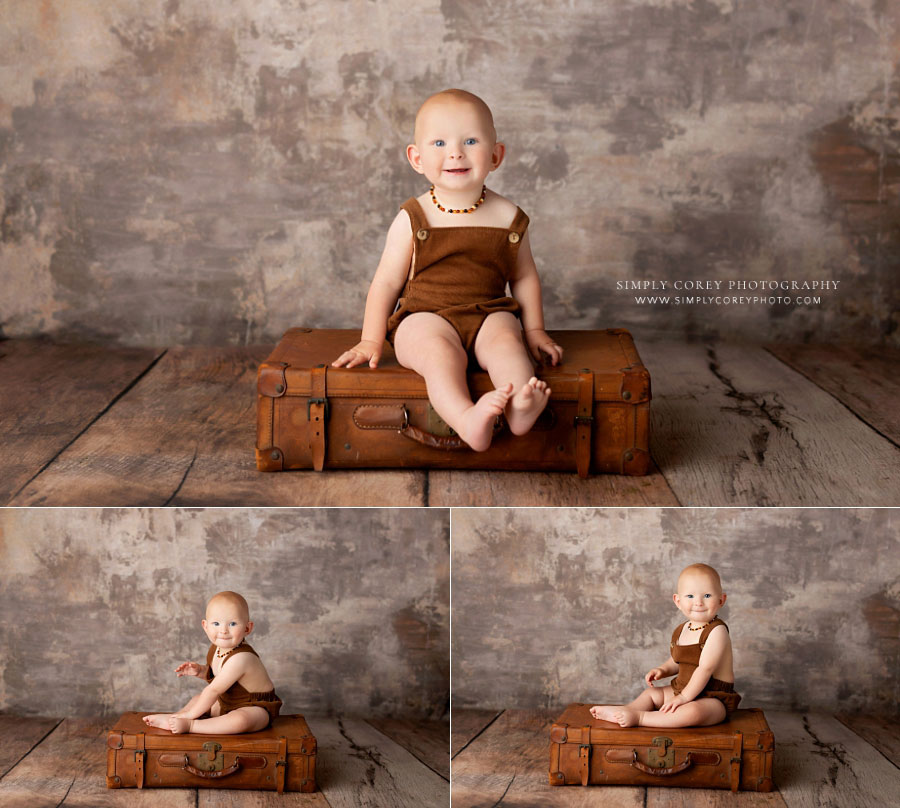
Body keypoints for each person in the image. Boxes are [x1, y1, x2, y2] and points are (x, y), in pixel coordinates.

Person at [333, 89, 563, 452]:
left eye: (470, 140)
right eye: (439, 142)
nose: (455, 152)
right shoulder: (414, 217)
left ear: (496, 154)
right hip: (425, 316)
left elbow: (523, 277)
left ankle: (520, 407)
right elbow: (387, 283)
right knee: (440, 355)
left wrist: (535, 330)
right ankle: (466, 418)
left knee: (508, 345)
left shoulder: (508, 217)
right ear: (417, 157)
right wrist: (370, 340)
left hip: (488, 311)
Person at [590, 564, 740, 728]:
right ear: (678, 601)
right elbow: (677, 661)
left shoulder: (717, 631)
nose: (698, 602)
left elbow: (705, 669)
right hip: (682, 689)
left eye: (707, 595)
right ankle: (626, 711)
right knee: (652, 694)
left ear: (721, 600)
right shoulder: (682, 629)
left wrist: (683, 698)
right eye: (690, 596)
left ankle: (640, 718)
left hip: (712, 698)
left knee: (694, 712)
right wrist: (662, 670)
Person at [142, 591, 282, 734]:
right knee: (197, 700)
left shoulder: (242, 658)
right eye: (216, 623)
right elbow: (220, 677)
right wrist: (201, 671)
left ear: (247, 628)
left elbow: (213, 690)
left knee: (241, 720)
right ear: (205, 626)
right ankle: (176, 717)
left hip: (255, 707)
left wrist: (191, 716)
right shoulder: (217, 648)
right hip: (227, 702)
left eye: (232, 624)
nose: (223, 630)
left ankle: (191, 725)